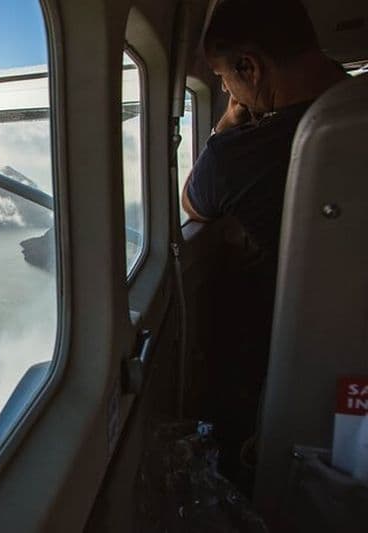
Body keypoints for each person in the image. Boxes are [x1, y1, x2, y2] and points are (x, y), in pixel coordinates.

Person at [181, 0, 348, 493]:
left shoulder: (245, 151)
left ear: (249, 67)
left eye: (223, 79)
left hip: (293, 367)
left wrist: (226, 128)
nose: (228, 91)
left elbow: (194, 204)